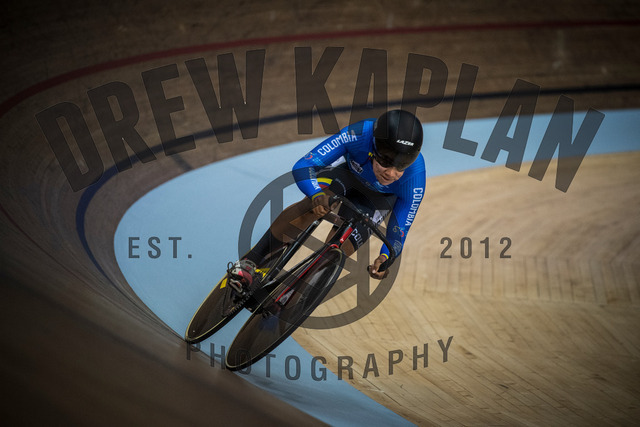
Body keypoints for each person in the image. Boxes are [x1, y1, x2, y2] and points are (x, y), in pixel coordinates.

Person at [226, 109, 426, 293]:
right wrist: (315, 195)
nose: (391, 173)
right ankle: (252, 261)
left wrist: (385, 257)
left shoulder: (415, 178)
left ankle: (291, 297)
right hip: (346, 174)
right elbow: (304, 165)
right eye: (386, 161)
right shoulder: (359, 134)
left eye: (401, 166)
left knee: (336, 252)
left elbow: (399, 232)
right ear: (374, 147)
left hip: (377, 200)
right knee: (312, 206)